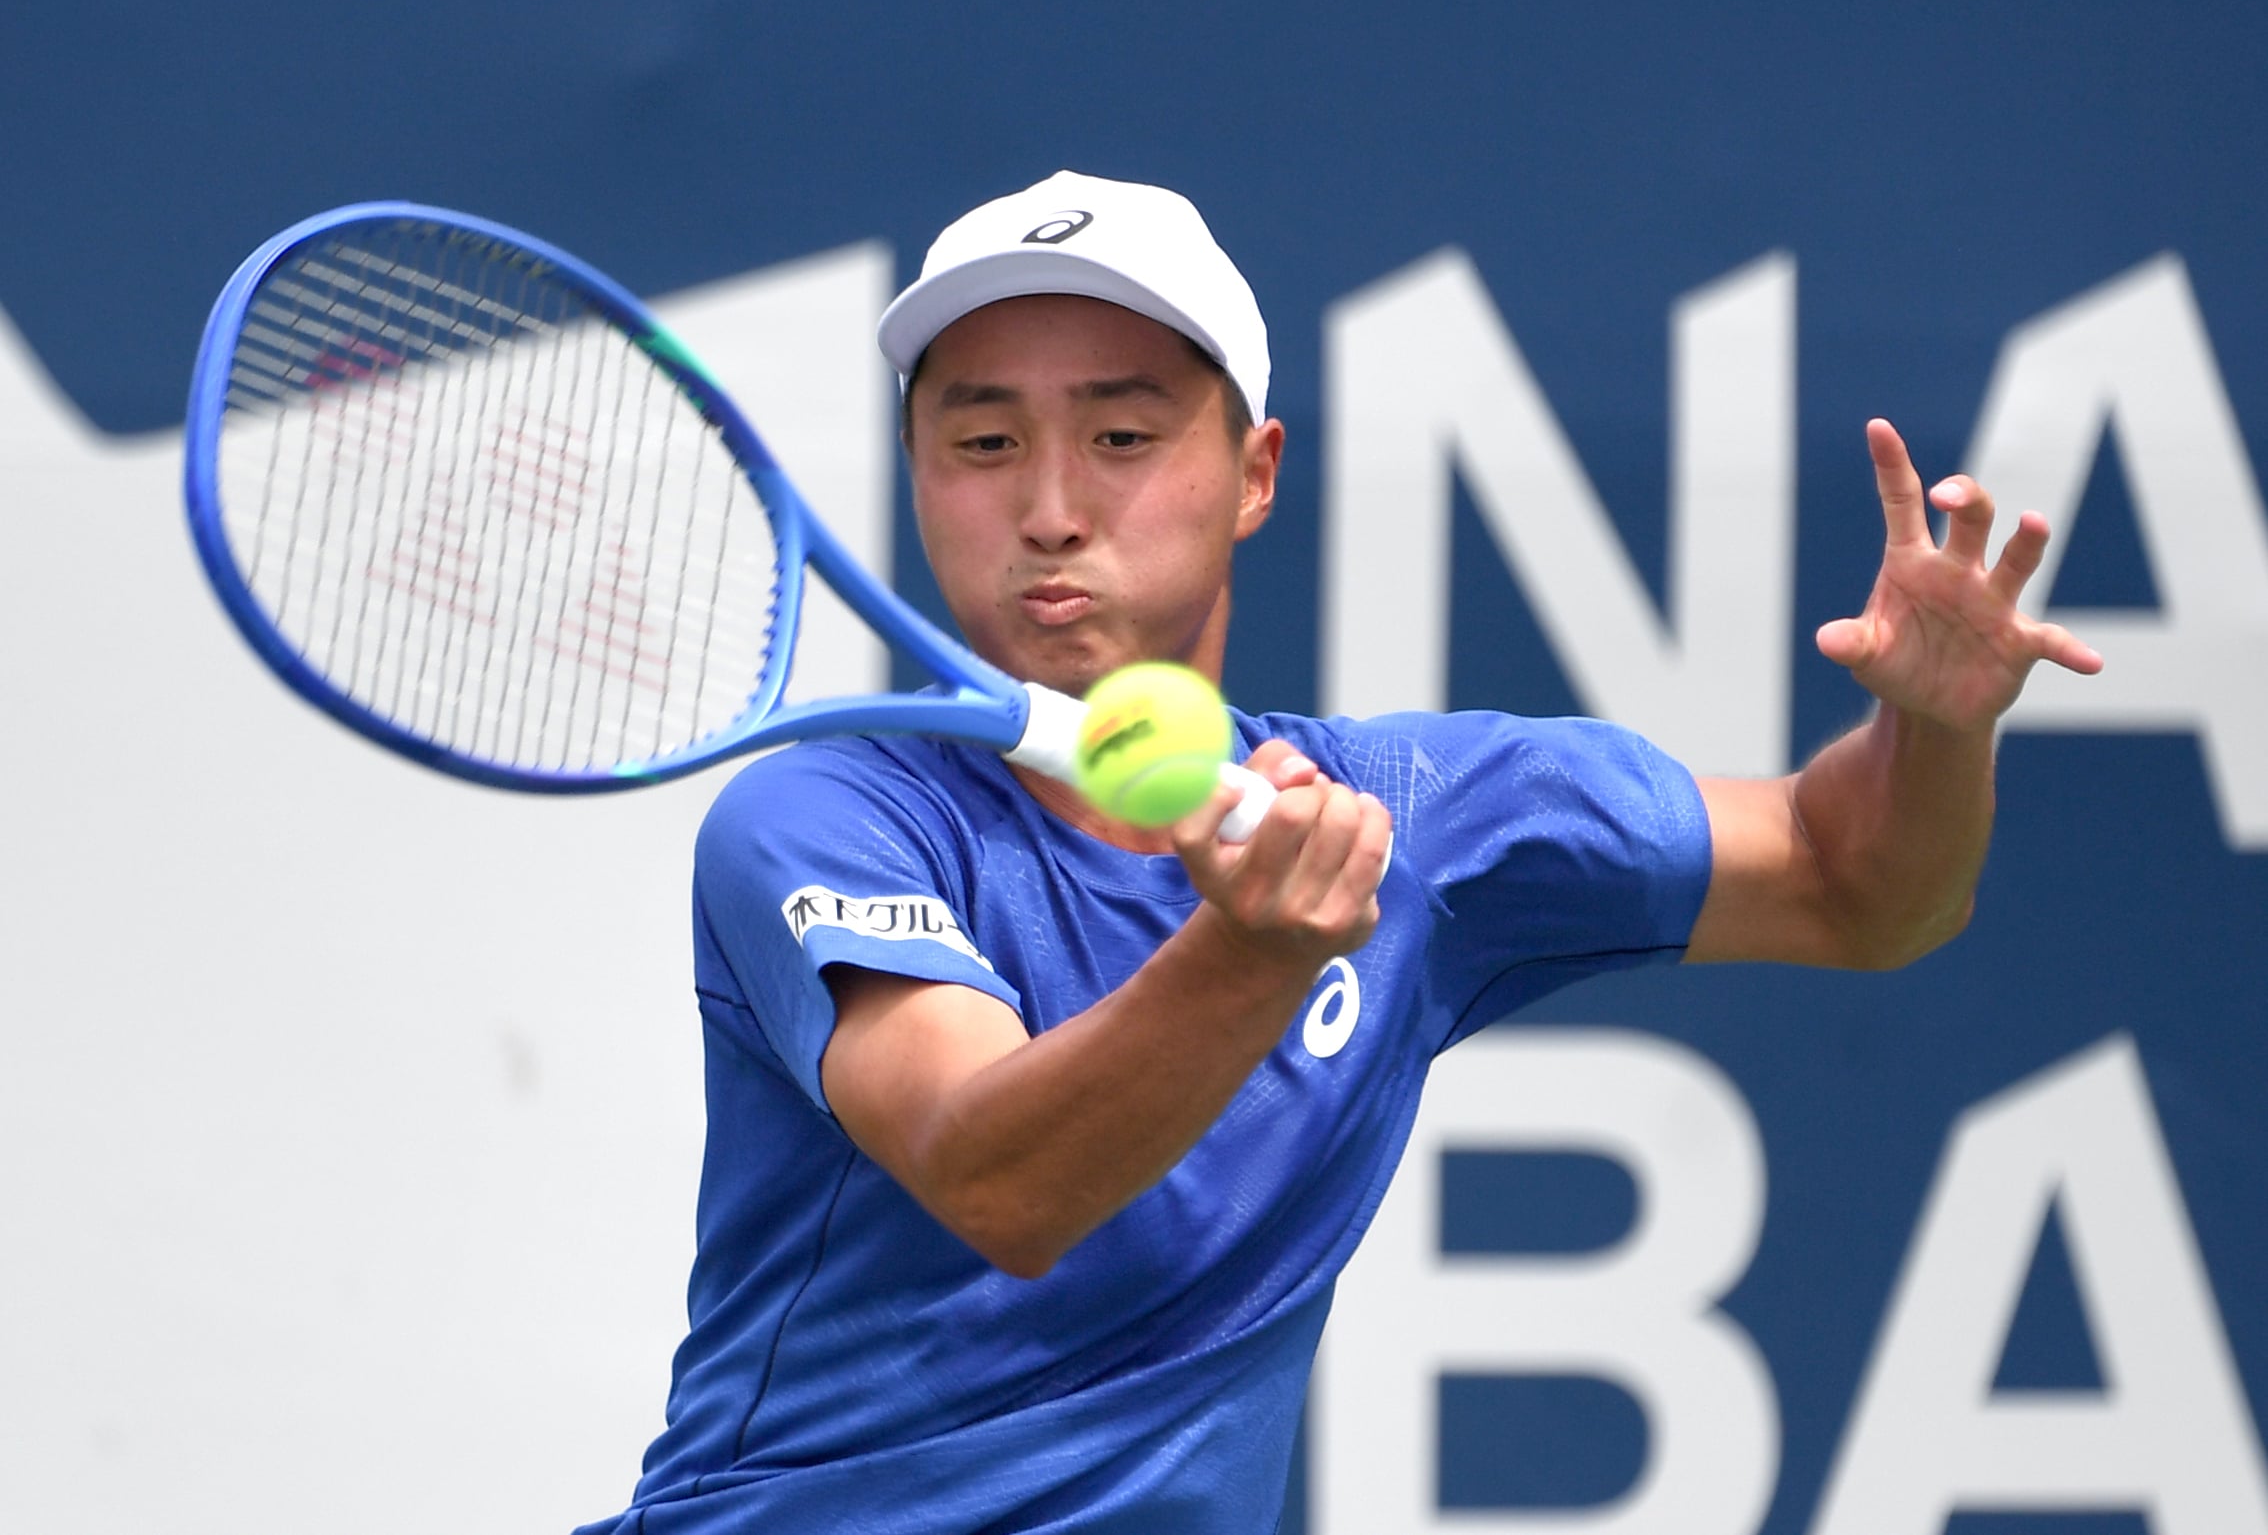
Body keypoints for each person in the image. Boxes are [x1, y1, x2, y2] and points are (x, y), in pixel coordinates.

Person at [574, 170, 2102, 1535]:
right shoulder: (830, 814)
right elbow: (1003, 1178)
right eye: (983, 441)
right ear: (918, 471)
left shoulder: (1428, 814)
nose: (1049, 508)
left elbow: (1861, 887)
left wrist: (1937, 732)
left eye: (1121, 434)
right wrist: (1249, 954)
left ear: (1254, 473)